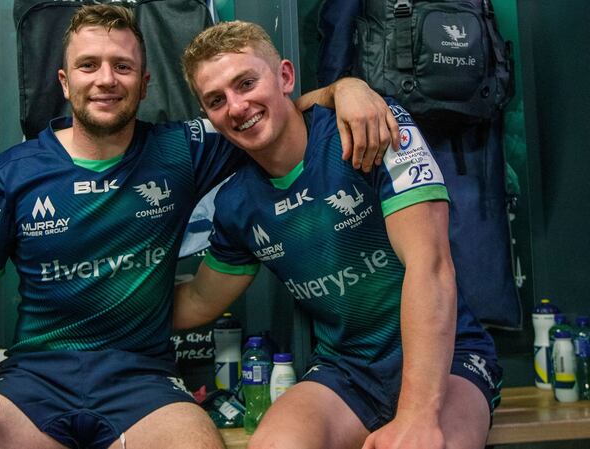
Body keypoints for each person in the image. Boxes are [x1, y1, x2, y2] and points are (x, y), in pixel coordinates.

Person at [0, 5, 396, 449]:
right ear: (64, 81)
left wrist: (344, 89)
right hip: (34, 380)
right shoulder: (12, 171)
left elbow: (271, 113)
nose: (106, 79)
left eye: (122, 67)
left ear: (144, 84)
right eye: (88, 65)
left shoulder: (183, 148)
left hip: (143, 382)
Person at [176, 21, 501, 449]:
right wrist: (96, 314)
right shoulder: (237, 203)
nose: (236, 107)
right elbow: (200, 299)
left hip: (449, 358)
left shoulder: (372, 126)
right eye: (216, 100)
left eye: (247, 82)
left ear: (285, 77)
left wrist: (417, 417)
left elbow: (431, 265)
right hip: (346, 369)